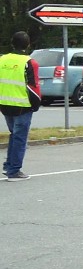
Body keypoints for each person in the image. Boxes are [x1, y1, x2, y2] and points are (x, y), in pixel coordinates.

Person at [0, 30, 41, 180]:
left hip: (4, 103)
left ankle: (9, 165)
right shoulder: (29, 62)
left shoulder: (2, 60)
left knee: (14, 135)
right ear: (28, 44)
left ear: (12, 43)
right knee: (19, 137)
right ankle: (14, 171)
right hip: (22, 105)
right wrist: (36, 104)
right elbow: (33, 87)